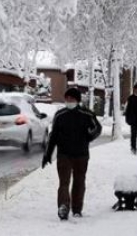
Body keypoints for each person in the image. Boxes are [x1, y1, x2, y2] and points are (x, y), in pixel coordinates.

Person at [42, 87, 102, 220]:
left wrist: (89, 137)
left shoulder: (87, 114)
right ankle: (63, 207)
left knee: (79, 182)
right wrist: (48, 154)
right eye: (67, 98)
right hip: (64, 155)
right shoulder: (60, 115)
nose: (69, 101)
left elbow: (97, 128)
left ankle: (77, 208)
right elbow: (53, 136)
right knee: (64, 182)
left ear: (77, 100)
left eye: (72, 99)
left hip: (81, 155)